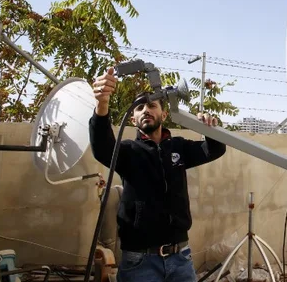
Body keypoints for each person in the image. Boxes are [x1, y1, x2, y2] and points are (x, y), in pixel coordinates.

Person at [89, 67, 226, 282]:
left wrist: (209, 129)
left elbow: (214, 150)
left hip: (181, 257)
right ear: (133, 119)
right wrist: (102, 104)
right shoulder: (127, 151)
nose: (146, 110)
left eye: (152, 105)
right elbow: (102, 148)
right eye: (139, 107)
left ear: (164, 114)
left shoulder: (178, 147)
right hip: (139, 262)